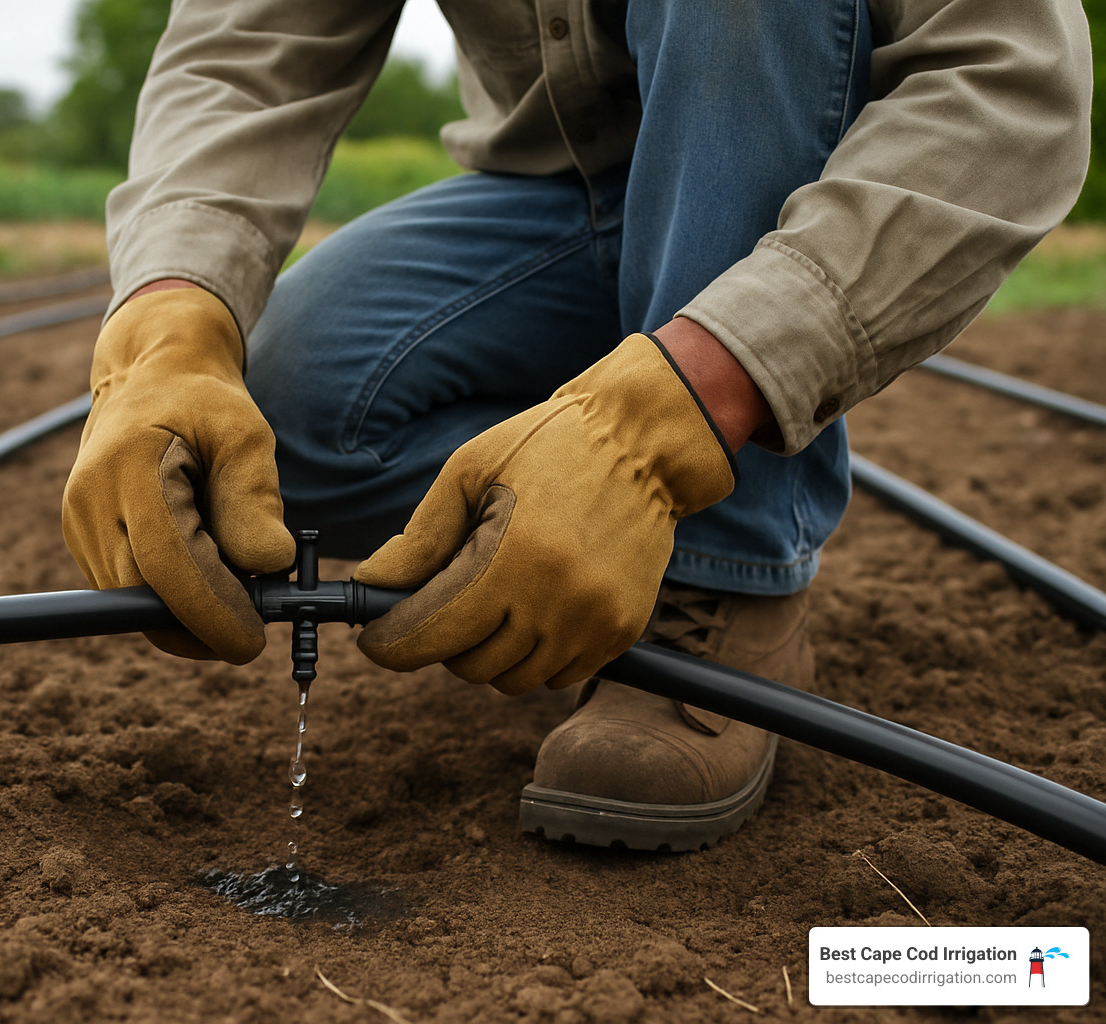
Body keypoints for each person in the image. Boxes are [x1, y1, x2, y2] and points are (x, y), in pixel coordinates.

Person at [62, 0, 1092, 851]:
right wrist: (164, 333)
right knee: (281, 419)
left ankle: (722, 575)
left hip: (782, 192)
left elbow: (1011, 84)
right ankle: (561, 517)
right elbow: (242, 54)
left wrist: (664, 425)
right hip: (555, 201)